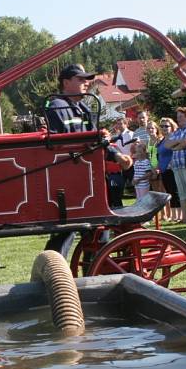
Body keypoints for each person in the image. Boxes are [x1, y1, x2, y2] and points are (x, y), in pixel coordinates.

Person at [44, 64, 132, 256]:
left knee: (96, 229)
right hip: (68, 180)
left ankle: (91, 271)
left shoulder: (83, 107)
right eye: (81, 80)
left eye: (86, 80)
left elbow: (96, 139)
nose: (86, 83)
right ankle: (55, 272)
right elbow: (58, 146)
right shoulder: (57, 107)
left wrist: (116, 155)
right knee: (67, 230)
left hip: (85, 179)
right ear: (66, 83)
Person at [156, 118, 182, 222]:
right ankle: (173, 215)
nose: (164, 128)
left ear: (172, 127)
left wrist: (171, 163)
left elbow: (175, 152)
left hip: (172, 169)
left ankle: (179, 215)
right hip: (163, 170)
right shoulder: (162, 140)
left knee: (175, 192)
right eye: (162, 126)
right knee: (169, 192)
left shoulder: (173, 138)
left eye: (166, 126)